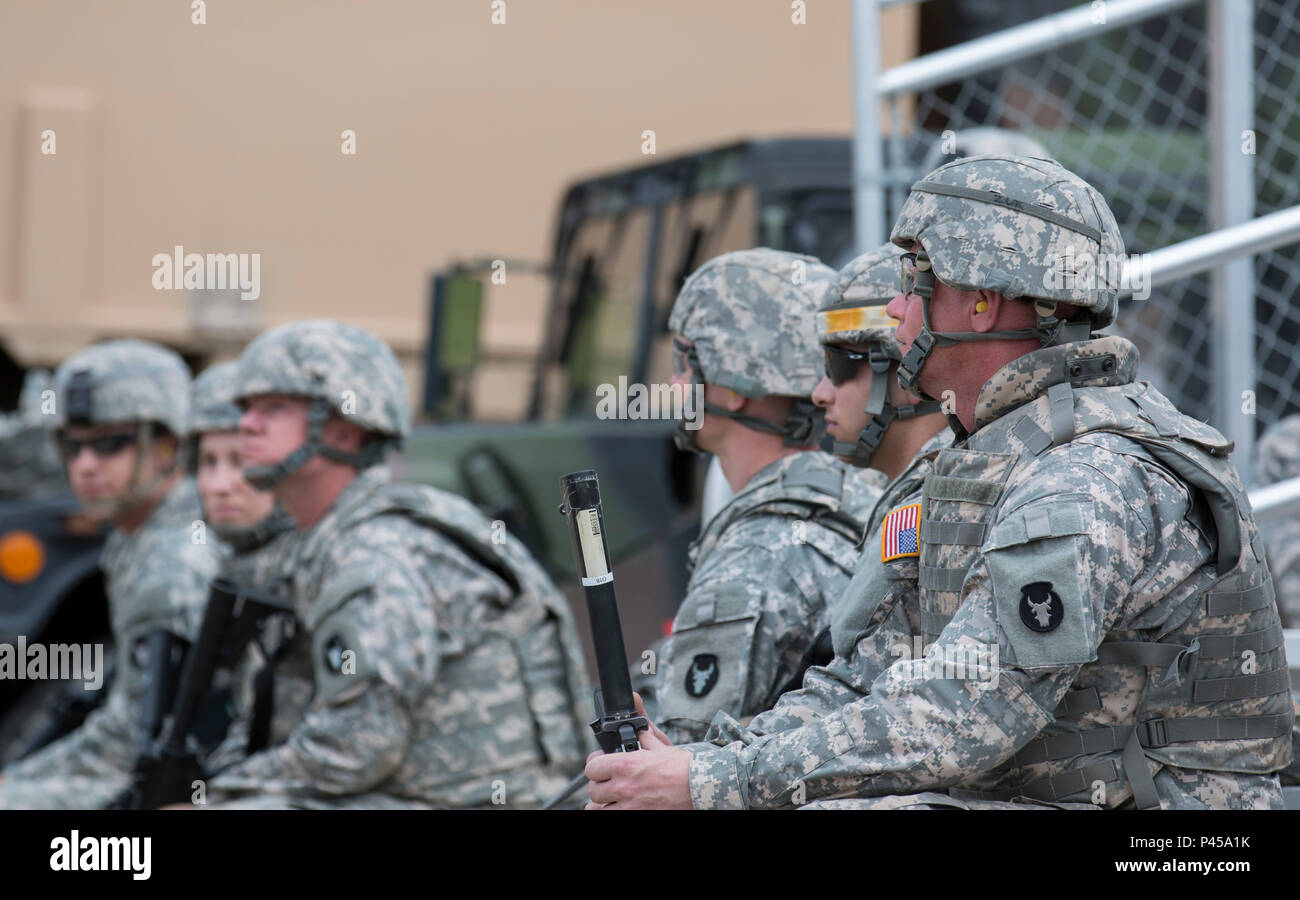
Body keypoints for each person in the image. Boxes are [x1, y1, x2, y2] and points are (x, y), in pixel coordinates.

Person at [584, 155, 1292, 810]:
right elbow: (867, 679)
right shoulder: (981, 459)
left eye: (916, 278)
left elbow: (964, 715)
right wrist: (699, 762)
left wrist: (714, 784)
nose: (895, 309)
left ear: (981, 303)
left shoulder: (1087, 475)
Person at [200, 319, 590, 808]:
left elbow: (358, 745)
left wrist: (216, 795)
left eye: (274, 408)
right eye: (246, 409)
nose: (247, 425)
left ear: (342, 428)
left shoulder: (373, 549)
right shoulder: (340, 535)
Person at [649, 249, 882, 744]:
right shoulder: (870, 495)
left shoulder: (757, 553)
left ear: (733, 385)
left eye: (685, 361)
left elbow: (682, 763)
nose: (673, 384)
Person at [0, 340, 219, 809]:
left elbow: (131, 747)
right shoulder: (138, 535)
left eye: (110, 444)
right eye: (72, 447)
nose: (86, 467)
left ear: (166, 447)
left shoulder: (173, 562)